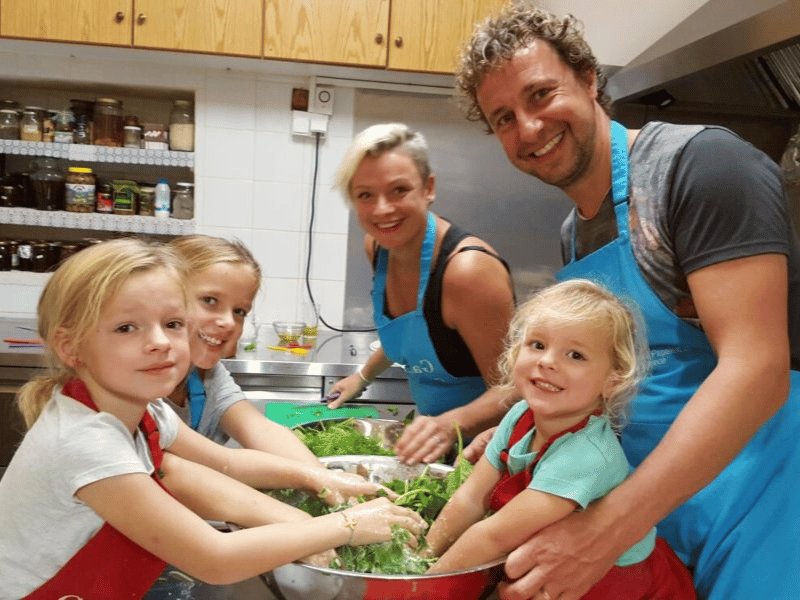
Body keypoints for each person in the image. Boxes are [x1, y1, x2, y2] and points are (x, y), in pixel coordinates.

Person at [455, 2, 800, 599]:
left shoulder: (703, 168)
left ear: (590, 80)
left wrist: (609, 528)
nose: (528, 129)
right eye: (504, 118)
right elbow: (607, 376)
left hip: (757, 513)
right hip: (661, 518)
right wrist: (530, 431)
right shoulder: (574, 230)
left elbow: (758, 369)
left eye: (541, 95)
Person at [0, 238, 425, 599]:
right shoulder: (86, 442)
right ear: (70, 348)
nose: (159, 343)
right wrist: (344, 526)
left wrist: (321, 481)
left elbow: (223, 467)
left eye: (171, 323)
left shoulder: (143, 411)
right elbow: (215, 560)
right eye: (127, 328)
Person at [425, 280, 695, 598]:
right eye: (537, 345)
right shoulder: (517, 417)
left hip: (618, 585)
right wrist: (421, 556)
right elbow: (470, 499)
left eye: (575, 355)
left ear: (612, 380)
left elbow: (493, 537)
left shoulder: (586, 455)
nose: (548, 361)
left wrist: (422, 587)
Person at [326, 122, 517, 465]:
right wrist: (362, 376)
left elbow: (516, 391)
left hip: (487, 455)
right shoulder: (378, 247)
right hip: (436, 445)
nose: (382, 209)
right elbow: (413, 331)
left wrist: (446, 426)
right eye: (365, 194)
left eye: (398, 190)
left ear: (429, 188)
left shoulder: (468, 273)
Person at [164, 234, 377, 505]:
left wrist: (327, 480)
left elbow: (259, 429)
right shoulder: (140, 392)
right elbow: (216, 465)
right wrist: (315, 487)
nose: (228, 322)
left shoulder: (209, 376)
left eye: (240, 311)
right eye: (209, 300)